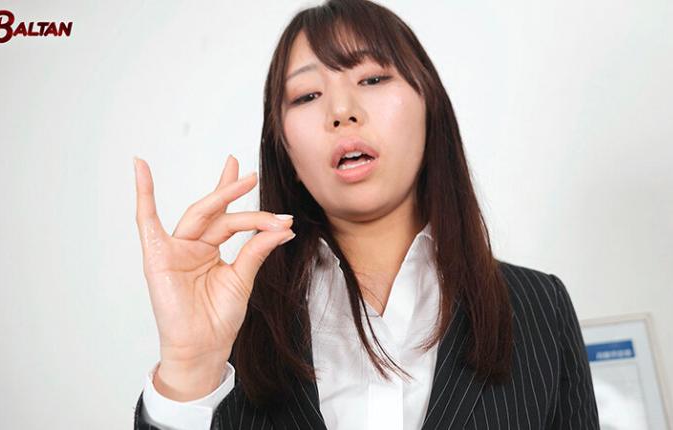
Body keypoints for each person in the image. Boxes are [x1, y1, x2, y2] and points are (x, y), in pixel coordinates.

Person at [132, 0, 600, 428]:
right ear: (284, 147)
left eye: (372, 79)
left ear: (429, 105)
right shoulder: (233, 320)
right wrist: (189, 372)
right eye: (306, 95)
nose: (341, 110)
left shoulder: (539, 307)